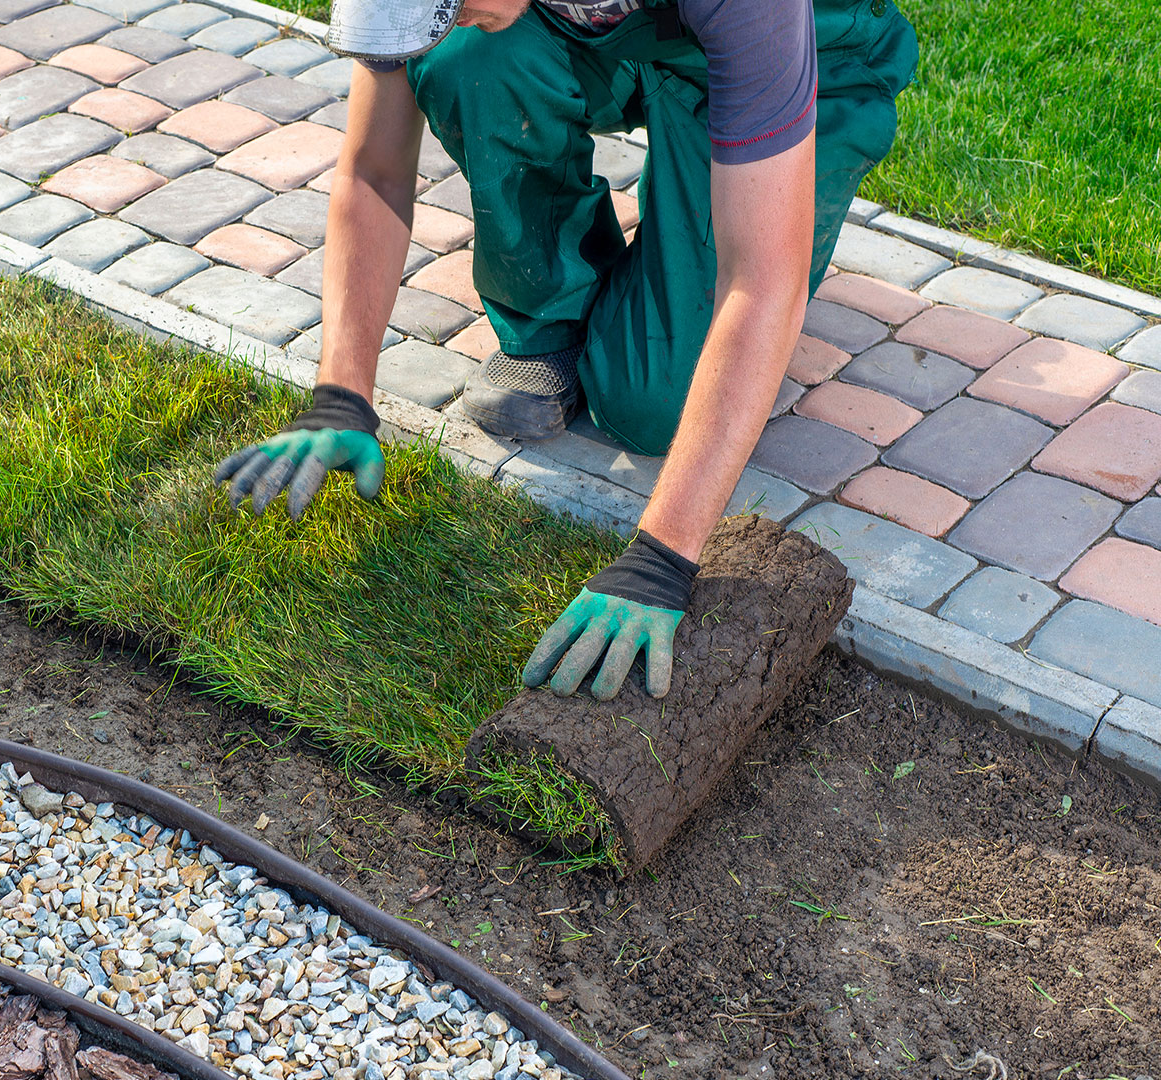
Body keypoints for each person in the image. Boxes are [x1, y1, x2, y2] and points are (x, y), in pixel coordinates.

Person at [212, 0, 916, 701]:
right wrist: (341, 394)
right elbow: (372, 170)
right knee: (467, 59)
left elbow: (761, 283)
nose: (440, 25)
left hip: (811, 44)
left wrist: (660, 561)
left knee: (651, 408)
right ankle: (554, 317)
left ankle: (695, 233)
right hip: (616, 33)